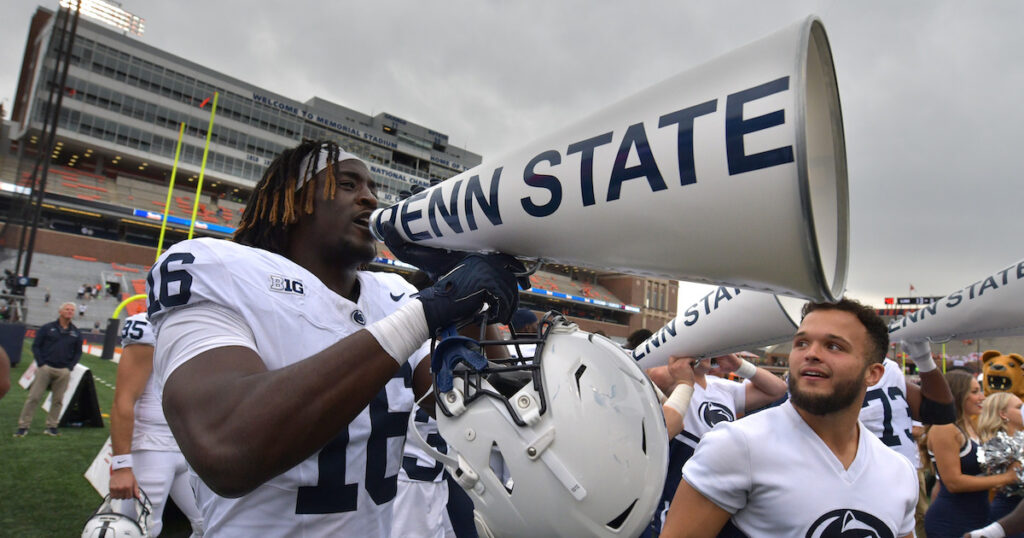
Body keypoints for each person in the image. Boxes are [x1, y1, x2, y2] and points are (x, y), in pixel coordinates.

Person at [147, 139, 523, 536]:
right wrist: (426, 312)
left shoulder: (392, 294)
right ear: (292, 202)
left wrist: (464, 286)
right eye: (348, 184)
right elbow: (226, 448)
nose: (369, 198)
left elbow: (485, 416)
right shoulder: (221, 268)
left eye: (373, 188)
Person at [661, 298, 919, 537]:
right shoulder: (737, 445)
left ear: (873, 374)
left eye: (833, 346)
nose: (811, 354)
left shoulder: (899, 471)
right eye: (802, 343)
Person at [645, 351, 788, 535]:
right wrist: (685, 364)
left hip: (719, 478)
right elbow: (653, 373)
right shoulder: (672, 380)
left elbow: (778, 389)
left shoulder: (722, 387)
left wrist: (738, 366)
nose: (707, 351)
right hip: (678, 479)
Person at [109, 312, 203, 536]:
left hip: (189, 445)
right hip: (153, 445)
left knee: (210, 523)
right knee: (142, 529)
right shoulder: (149, 324)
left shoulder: (204, 320)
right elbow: (124, 398)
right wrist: (121, 465)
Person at [861, 338, 956, 537]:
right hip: (859, 479)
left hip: (903, 476)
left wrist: (924, 360)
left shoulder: (890, 369)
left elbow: (940, 412)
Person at [924, 371, 1019, 536]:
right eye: (975, 392)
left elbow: (980, 473)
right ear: (957, 395)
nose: (982, 397)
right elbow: (953, 483)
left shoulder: (973, 428)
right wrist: (1008, 477)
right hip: (952, 519)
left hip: (979, 514)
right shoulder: (945, 428)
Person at [15, 302, 83, 437]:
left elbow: (77, 352)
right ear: (60, 312)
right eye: (67, 309)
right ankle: (23, 426)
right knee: (34, 397)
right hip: (46, 368)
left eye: (72, 310)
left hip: (63, 370)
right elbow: (36, 346)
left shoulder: (76, 332)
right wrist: (41, 363)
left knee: (58, 400)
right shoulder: (47, 328)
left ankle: (52, 426)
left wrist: (70, 367)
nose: (70, 312)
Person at [977, 391, 1024, 535]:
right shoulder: (995, 443)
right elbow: (1016, 477)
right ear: (1003, 414)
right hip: (1009, 512)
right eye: (1019, 407)